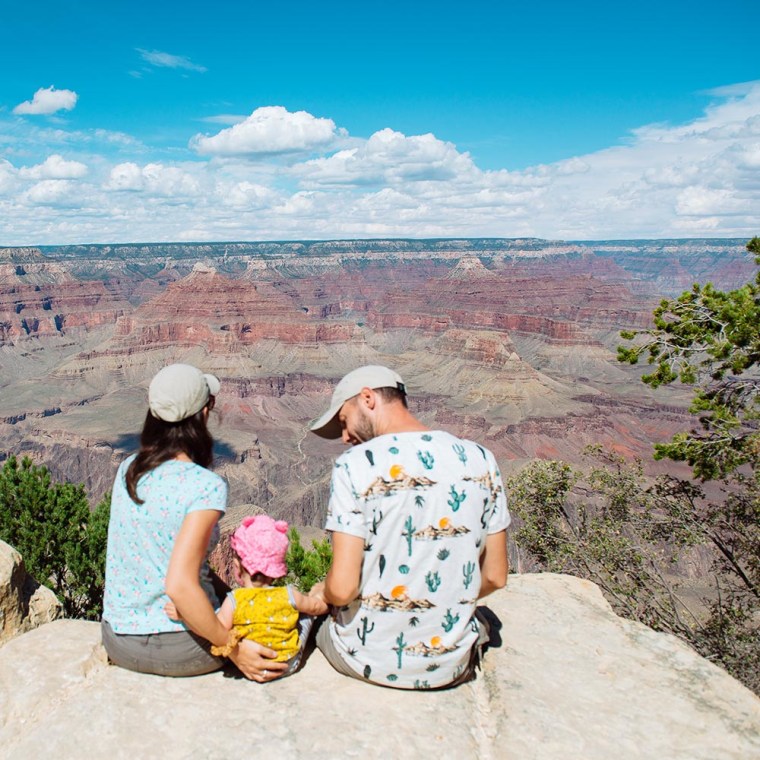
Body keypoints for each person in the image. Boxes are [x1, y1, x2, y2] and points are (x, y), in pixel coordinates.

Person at [309, 365, 510, 689]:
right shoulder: (481, 459)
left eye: (344, 421)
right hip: (452, 666)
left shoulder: (354, 465)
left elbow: (344, 589)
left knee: (309, 620)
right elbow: (495, 576)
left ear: (367, 399)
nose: (345, 437)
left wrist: (324, 591)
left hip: (366, 659)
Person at [101, 362, 288, 681]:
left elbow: (169, 563)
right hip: (182, 647)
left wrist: (229, 596)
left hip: (118, 639)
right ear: (202, 415)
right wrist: (233, 649)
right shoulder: (205, 486)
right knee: (275, 623)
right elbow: (179, 585)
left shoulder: (128, 471)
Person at [165, 514, 327, 676]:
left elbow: (213, 627)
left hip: (249, 660)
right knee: (306, 614)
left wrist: (184, 615)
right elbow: (316, 607)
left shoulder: (234, 600)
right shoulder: (290, 595)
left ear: (236, 565)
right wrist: (322, 598)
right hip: (287, 664)